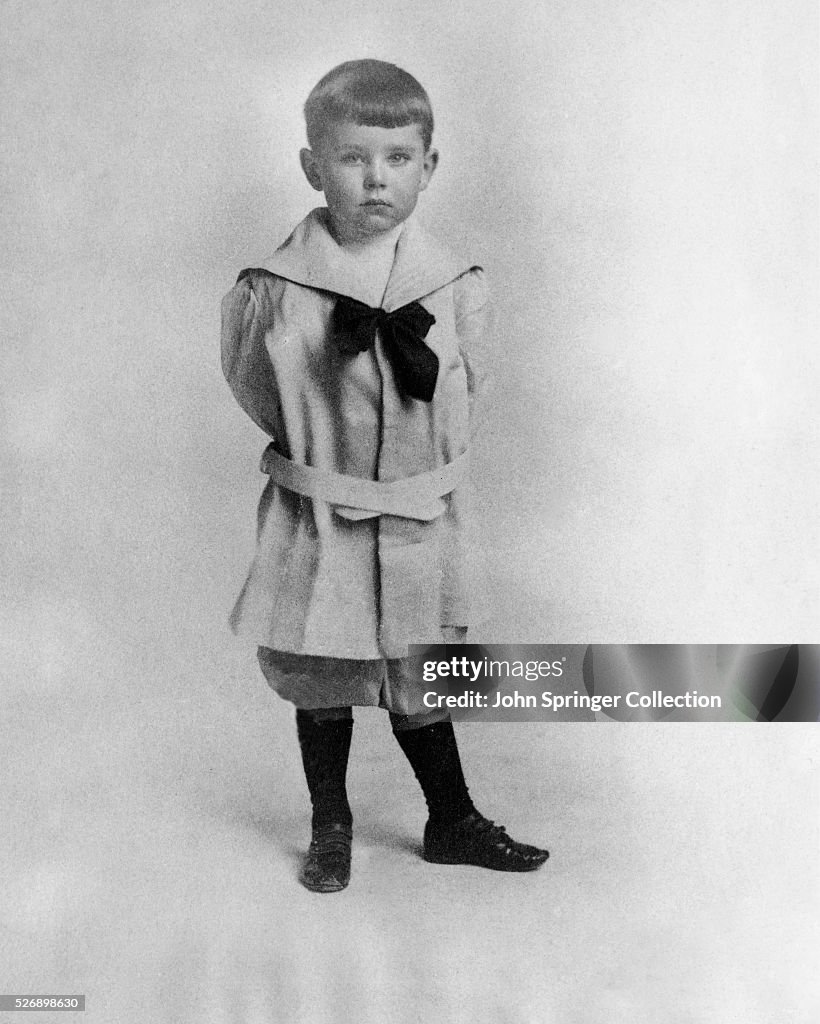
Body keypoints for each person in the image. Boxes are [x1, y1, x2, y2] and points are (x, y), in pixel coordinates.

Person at [221, 59, 548, 892]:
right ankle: (331, 824)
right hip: (320, 514)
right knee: (319, 669)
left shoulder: (459, 283)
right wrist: (323, 448)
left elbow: (469, 389)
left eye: (397, 159)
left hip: (417, 517)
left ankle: (453, 819)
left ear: (428, 166)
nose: (374, 178)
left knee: (418, 671)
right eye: (352, 158)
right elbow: (258, 389)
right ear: (311, 167)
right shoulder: (272, 290)